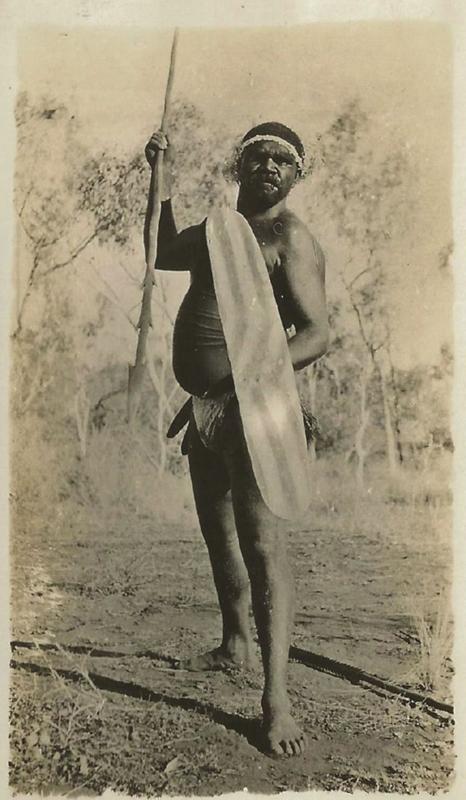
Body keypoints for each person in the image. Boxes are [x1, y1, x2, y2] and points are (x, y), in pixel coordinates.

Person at [144, 122, 328, 757]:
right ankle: (234, 644)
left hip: (258, 413)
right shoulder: (220, 232)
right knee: (218, 533)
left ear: (297, 175)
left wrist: (251, 382)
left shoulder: (289, 239)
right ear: (239, 167)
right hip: (204, 411)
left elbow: (316, 332)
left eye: (283, 160)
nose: (269, 166)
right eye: (257, 157)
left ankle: (276, 700)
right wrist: (159, 180)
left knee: (261, 546)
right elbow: (162, 253)